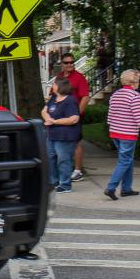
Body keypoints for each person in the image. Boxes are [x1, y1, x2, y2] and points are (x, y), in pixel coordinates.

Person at [103, 69, 140, 200]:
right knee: (125, 161)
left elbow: (110, 115)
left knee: (127, 160)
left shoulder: (115, 94)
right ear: (134, 82)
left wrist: (111, 129)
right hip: (128, 134)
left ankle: (126, 189)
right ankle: (111, 188)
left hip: (115, 133)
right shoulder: (135, 96)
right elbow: (139, 117)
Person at [54, 53, 90, 182]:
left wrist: (78, 115)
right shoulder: (59, 77)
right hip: (60, 116)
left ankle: (78, 170)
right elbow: (54, 94)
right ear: (61, 64)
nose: (69, 65)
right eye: (66, 62)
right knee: (61, 142)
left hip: (74, 115)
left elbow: (85, 97)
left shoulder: (79, 77)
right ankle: (64, 169)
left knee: (76, 142)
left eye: (71, 62)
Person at [42, 77, 81, 193]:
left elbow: (74, 119)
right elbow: (44, 110)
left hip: (65, 137)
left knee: (63, 160)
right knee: (50, 158)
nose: (52, 86)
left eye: (54, 84)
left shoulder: (70, 101)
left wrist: (54, 121)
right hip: (52, 135)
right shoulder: (53, 98)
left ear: (60, 86)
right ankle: (53, 182)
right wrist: (48, 118)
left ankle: (65, 185)